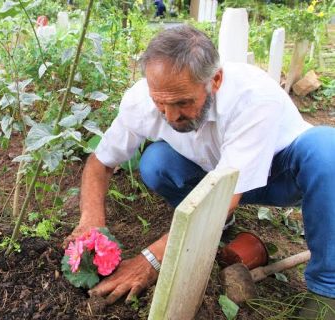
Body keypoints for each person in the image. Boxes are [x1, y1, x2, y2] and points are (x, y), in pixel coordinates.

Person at [65, 25, 335, 318]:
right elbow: (100, 163)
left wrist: (149, 261)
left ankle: (326, 290)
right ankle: (217, 227)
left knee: (326, 149)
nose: (171, 116)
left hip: (279, 175)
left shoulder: (253, 97)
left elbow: (221, 196)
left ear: (215, 80)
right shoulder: (143, 100)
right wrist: (92, 221)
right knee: (156, 163)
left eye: (183, 102)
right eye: (161, 104)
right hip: (214, 177)